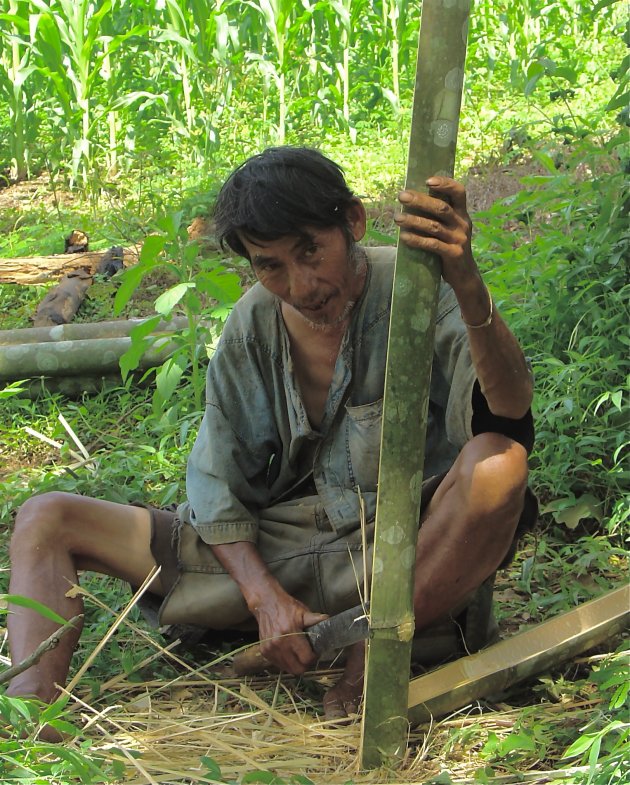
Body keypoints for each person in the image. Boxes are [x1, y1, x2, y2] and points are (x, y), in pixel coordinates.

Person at [6, 147, 536, 732]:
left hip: (403, 562)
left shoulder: (416, 289)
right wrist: (265, 599)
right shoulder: (253, 323)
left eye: (311, 250)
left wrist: (466, 281)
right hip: (277, 555)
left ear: (353, 222)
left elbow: (509, 409)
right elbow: (215, 488)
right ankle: (33, 723)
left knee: (498, 464)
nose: (302, 285)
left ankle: (370, 655)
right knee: (47, 515)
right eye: (271, 265)